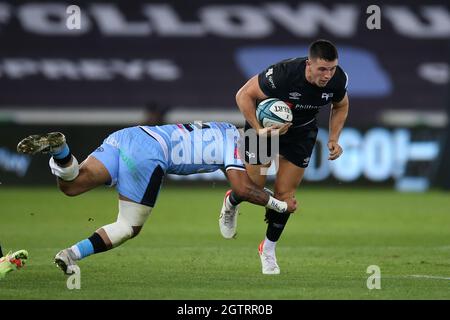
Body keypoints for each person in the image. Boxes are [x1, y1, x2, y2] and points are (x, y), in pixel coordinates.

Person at [17, 122, 296, 275]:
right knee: (128, 226)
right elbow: (244, 188)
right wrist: (281, 205)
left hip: (129, 135)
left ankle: (61, 149)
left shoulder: (224, 128)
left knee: (72, 185)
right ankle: (71, 254)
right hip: (150, 155)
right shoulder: (236, 146)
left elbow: (246, 187)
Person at [219, 39, 349, 274]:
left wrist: (334, 139)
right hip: (264, 128)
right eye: (322, 69)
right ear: (309, 64)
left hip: (301, 132)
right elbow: (243, 95)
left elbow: (341, 105)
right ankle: (232, 201)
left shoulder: (338, 79)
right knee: (251, 188)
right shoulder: (282, 74)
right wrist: (258, 129)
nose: (328, 75)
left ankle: (268, 250)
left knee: (286, 197)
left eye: (331, 69)